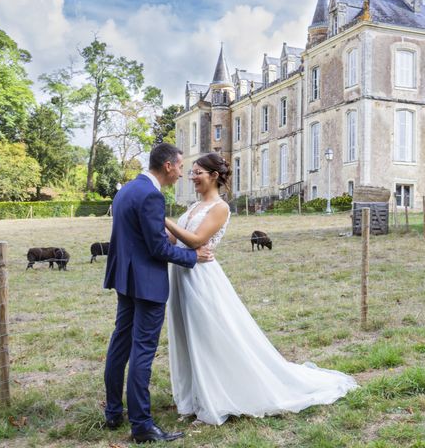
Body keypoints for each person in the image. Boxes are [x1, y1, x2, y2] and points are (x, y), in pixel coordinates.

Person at [164, 153, 358, 426]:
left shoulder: (219, 208)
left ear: (214, 176)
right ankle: (193, 396)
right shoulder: (194, 207)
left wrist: (163, 218)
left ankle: (216, 397)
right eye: (192, 172)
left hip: (201, 279)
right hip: (180, 277)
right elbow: (171, 238)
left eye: (198, 172)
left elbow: (197, 239)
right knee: (185, 335)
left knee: (207, 336)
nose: (192, 177)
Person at [103, 143, 213, 444]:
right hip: (147, 284)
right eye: (180, 166)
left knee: (120, 343)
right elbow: (157, 248)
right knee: (143, 351)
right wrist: (193, 257)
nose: (182, 172)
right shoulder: (151, 195)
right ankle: (141, 425)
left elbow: (135, 234)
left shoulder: (126, 190)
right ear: (167, 166)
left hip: (125, 279)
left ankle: (113, 412)